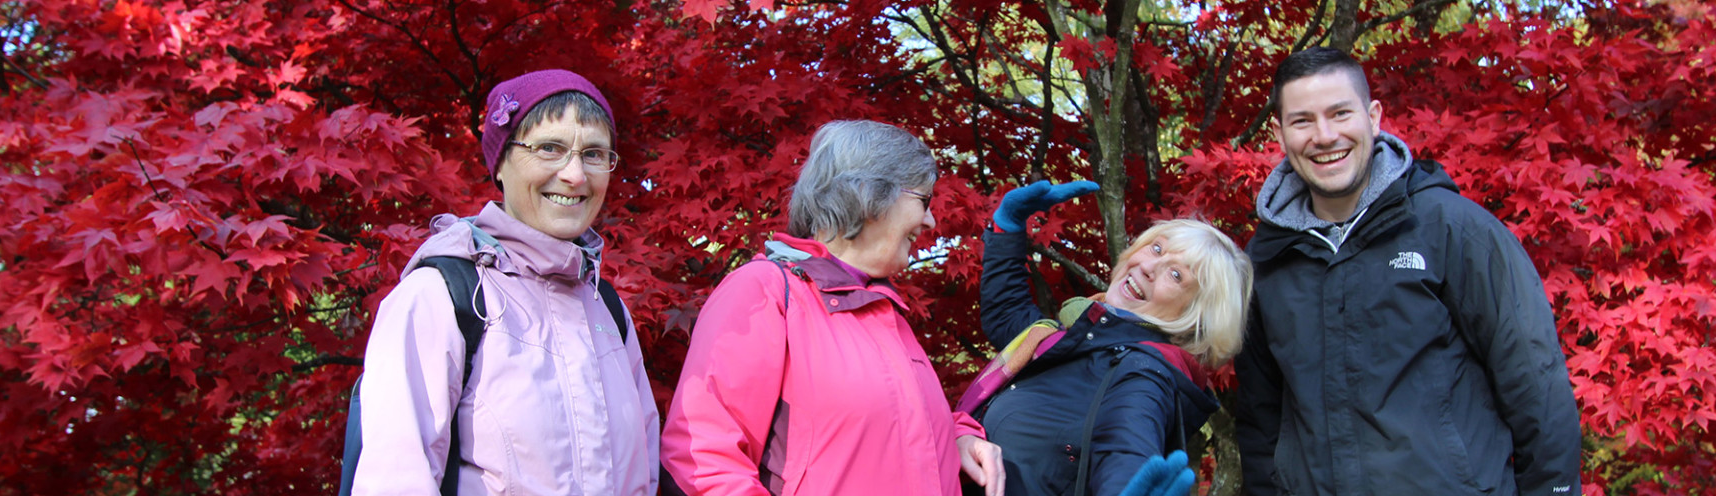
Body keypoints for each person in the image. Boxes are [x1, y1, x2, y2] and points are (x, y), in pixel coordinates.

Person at [1233, 47, 1583, 495]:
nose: (1324, 136)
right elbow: (1261, 422)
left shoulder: (1451, 229)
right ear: (1280, 132)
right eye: (1303, 121)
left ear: (1373, 116)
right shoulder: (1266, 261)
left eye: (1340, 113)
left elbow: (1536, 386)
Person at [352, 69, 657, 495]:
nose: (575, 174)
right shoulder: (443, 297)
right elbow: (394, 480)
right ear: (500, 165)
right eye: (549, 148)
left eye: (593, 154)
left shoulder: (607, 308)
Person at [659, 120, 1005, 496]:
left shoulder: (884, 311)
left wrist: (956, 438)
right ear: (869, 194)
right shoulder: (765, 291)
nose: (930, 219)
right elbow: (703, 462)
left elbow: (883, 427)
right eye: (923, 200)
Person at [967, 181, 1251, 496]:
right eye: (1157, 249)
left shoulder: (1145, 369)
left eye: (1176, 275)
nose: (1149, 267)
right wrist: (1007, 227)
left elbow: (1128, 444)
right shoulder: (1081, 337)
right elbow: (1009, 317)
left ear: (1195, 316)